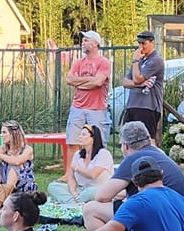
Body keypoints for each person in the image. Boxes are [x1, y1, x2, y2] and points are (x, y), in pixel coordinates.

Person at [84, 121, 184, 231]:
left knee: (90, 209)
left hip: (156, 218)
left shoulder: (134, 158)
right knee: (123, 210)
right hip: (180, 218)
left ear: (125, 145)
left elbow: (102, 196)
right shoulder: (160, 154)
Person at [64, 30, 113, 166]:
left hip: (97, 109)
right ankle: (70, 174)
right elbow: (69, 79)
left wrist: (79, 82)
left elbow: (98, 82)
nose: (82, 43)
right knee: (73, 142)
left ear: (95, 43)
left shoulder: (104, 63)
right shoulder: (78, 62)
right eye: (83, 40)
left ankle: (97, 170)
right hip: (77, 107)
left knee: (98, 143)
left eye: (86, 40)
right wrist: (89, 80)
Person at [120, 30, 166, 138]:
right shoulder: (139, 61)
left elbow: (137, 78)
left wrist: (135, 61)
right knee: (127, 139)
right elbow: (125, 82)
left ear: (152, 43)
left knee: (147, 139)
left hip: (147, 107)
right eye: (139, 44)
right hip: (133, 105)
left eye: (144, 43)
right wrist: (139, 85)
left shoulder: (156, 60)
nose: (141, 47)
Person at [62, 123, 114, 201]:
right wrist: (73, 192)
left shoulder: (103, 154)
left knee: (90, 192)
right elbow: (71, 177)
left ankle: (71, 201)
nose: (80, 137)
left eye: (83, 135)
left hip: (97, 189)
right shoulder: (77, 154)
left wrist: (76, 167)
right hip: (80, 189)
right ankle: (75, 201)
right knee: (53, 186)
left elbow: (93, 174)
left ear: (93, 138)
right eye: (80, 134)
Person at [0, 120, 37, 194]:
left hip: (24, 186)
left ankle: (6, 193)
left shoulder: (27, 149)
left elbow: (17, 161)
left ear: (13, 134)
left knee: (15, 166)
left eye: (4, 132)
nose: (1, 135)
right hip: (5, 181)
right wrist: (8, 159)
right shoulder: (2, 148)